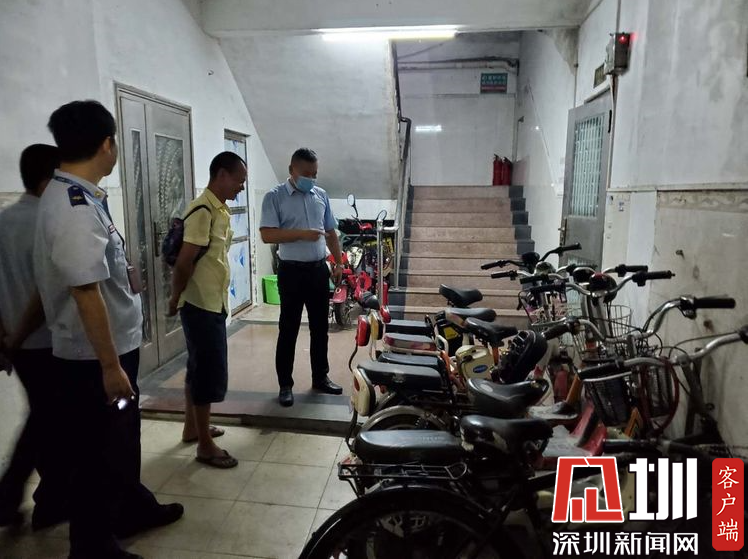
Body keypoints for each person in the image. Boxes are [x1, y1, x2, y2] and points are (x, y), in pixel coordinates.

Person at [34, 100, 182, 559]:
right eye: (114, 141)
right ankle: (92, 546)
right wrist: (110, 366)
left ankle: (131, 508)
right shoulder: (74, 207)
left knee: (120, 441)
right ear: (106, 144)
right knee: (98, 452)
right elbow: (85, 291)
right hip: (93, 359)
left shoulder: (78, 196)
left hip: (108, 351)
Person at [0, 144, 71, 530]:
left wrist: (7, 339)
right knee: (47, 424)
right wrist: (16, 337)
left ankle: (47, 501)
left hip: (19, 345)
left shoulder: (5, 220)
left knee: (46, 420)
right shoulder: (47, 223)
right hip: (46, 343)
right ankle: (13, 496)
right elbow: (45, 295)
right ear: (48, 181)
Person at [167, 151, 246, 469]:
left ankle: (192, 427)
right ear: (222, 175)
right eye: (239, 180)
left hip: (212, 301)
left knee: (197, 367)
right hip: (200, 304)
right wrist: (174, 298)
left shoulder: (218, 209)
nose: (241, 186)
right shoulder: (202, 210)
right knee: (207, 373)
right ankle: (204, 445)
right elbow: (184, 262)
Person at [259, 148, 343, 407]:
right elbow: (267, 234)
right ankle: (285, 385)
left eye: (314, 174)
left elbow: (330, 232)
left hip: (318, 270)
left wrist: (339, 262)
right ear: (291, 170)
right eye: (306, 174)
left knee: (320, 328)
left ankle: (321, 377)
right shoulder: (274, 197)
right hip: (291, 272)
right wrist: (300, 234)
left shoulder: (321, 195)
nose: (311, 179)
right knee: (289, 329)